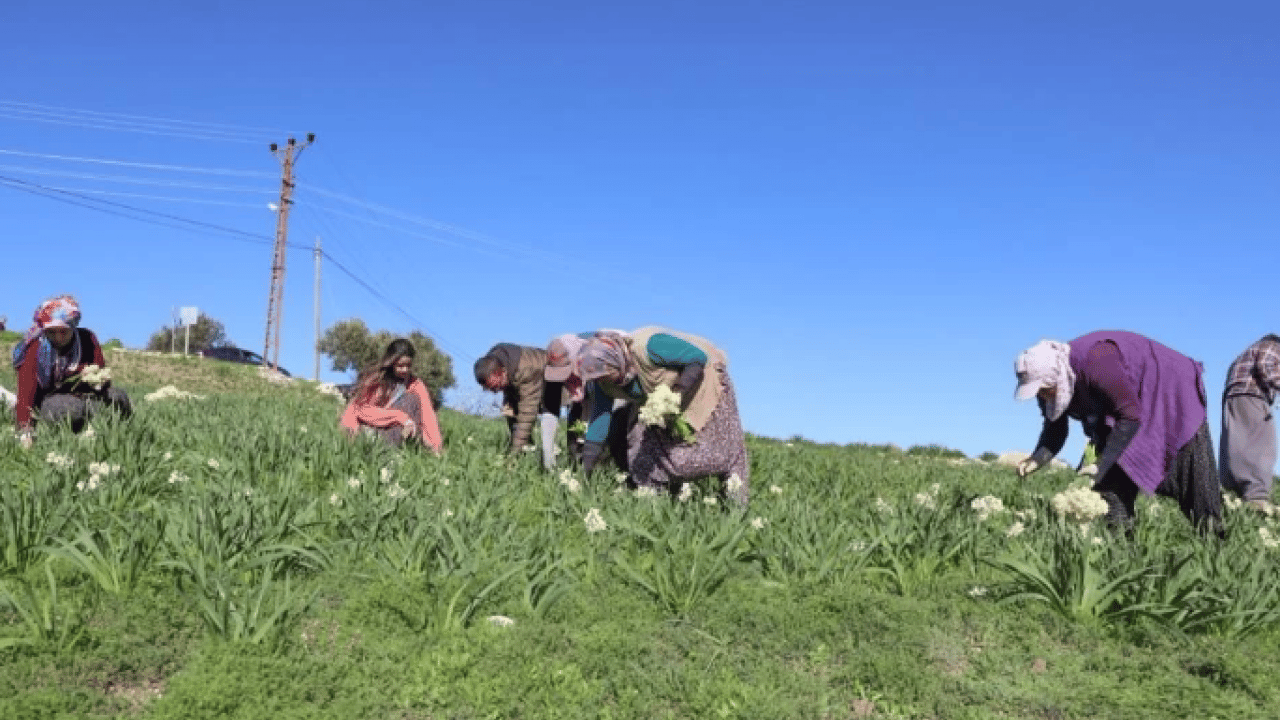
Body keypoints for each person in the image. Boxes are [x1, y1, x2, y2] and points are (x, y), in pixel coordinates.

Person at [1013, 331, 1221, 535]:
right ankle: (1119, 554)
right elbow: (1055, 428)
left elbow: (1129, 416)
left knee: (1189, 470)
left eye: (1044, 389)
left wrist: (1101, 464)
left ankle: (1213, 543)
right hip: (1123, 410)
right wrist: (1036, 459)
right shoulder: (1049, 387)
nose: (1042, 395)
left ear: (1055, 377)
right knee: (1107, 485)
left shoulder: (1097, 361)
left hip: (1168, 386)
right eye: (1037, 391)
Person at [577, 326, 750, 506]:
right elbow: (599, 421)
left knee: (719, 452)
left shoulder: (649, 346)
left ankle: (734, 502)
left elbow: (698, 358)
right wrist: (586, 474)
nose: (604, 382)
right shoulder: (601, 381)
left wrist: (676, 394)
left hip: (702, 382)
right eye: (600, 379)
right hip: (662, 403)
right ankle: (656, 504)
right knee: (642, 454)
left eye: (607, 377)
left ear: (616, 360)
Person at [11, 295, 131, 447]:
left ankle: (109, 429)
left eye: (64, 331)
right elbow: (26, 394)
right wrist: (25, 430)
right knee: (68, 409)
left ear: (73, 327)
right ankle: (86, 425)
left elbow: (102, 377)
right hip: (50, 399)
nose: (58, 337)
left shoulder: (87, 339)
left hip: (85, 395)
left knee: (117, 397)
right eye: (52, 332)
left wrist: (94, 378)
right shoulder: (34, 347)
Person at [542, 330, 630, 471]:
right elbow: (550, 410)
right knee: (577, 417)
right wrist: (548, 463)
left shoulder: (596, 357)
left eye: (567, 373)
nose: (565, 380)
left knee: (615, 426)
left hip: (621, 379)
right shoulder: (555, 366)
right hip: (588, 380)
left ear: (579, 361)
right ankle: (578, 464)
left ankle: (612, 467)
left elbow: (603, 410)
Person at [340, 338, 443, 454]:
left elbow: (428, 417)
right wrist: (399, 417)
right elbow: (361, 411)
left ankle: (398, 448)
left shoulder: (416, 384)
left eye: (408, 366)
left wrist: (437, 449)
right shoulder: (376, 380)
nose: (405, 370)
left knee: (413, 400)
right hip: (364, 428)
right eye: (400, 366)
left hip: (395, 428)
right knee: (409, 401)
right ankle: (382, 447)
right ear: (391, 363)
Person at [1219, 334, 1280, 514]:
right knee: (1262, 443)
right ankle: (1256, 497)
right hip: (1252, 395)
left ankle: (1231, 494)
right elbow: (1267, 367)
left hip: (1233, 397)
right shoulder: (1273, 346)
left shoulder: (1249, 351)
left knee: (1235, 445)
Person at [474, 342, 556, 457]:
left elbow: (526, 417)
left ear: (502, 372)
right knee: (511, 411)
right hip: (530, 381)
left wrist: (513, 456)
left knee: (577, 427)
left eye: (496, 386)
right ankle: (526, 455)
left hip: (563, 381)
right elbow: (514, 415)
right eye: (490, 389)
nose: (496, 391)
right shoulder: (496, 362)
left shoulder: (526, 370)